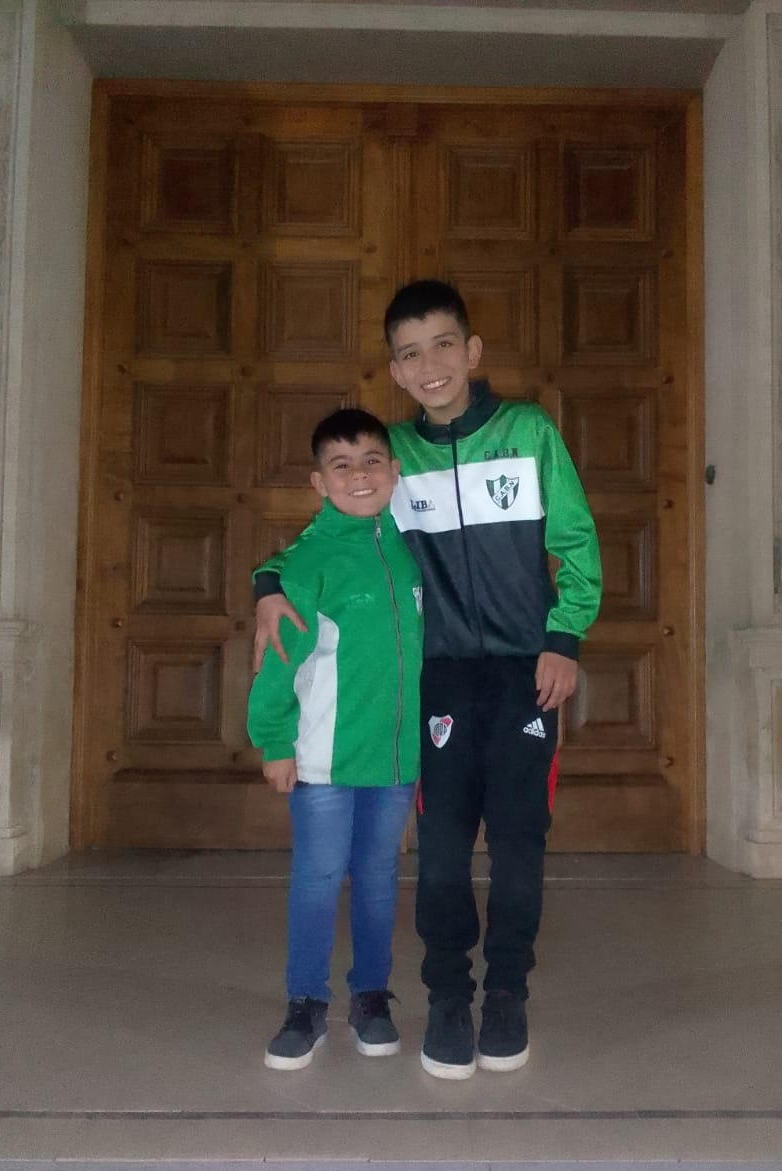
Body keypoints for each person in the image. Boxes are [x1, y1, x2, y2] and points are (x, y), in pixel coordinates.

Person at [253, 280, 601, 1080]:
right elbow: (324, 537)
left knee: (517, 845)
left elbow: (577, 540)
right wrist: (267, 580)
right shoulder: (394, 458)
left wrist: (563, 638)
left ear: (471, 351)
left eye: (443, 344)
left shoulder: (528, 432)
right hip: (437, 683)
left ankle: (505, 995)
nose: (430, 364)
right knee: (440, 853)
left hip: (525, 676)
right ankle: (448, 996)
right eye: (410, 353)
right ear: (396, 370)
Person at [247, 407, 423, 1071]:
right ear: (319, 483)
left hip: (395, 758)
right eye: (341, 466)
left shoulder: (412, 547)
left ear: (394, 470)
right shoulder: (308, 562)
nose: (360, 475)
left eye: (372, 461)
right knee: (318, 879)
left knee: (378, 878)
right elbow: (278, 663)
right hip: (323, 759)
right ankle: (305, 1003)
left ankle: (371, 997)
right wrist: (274, 742)